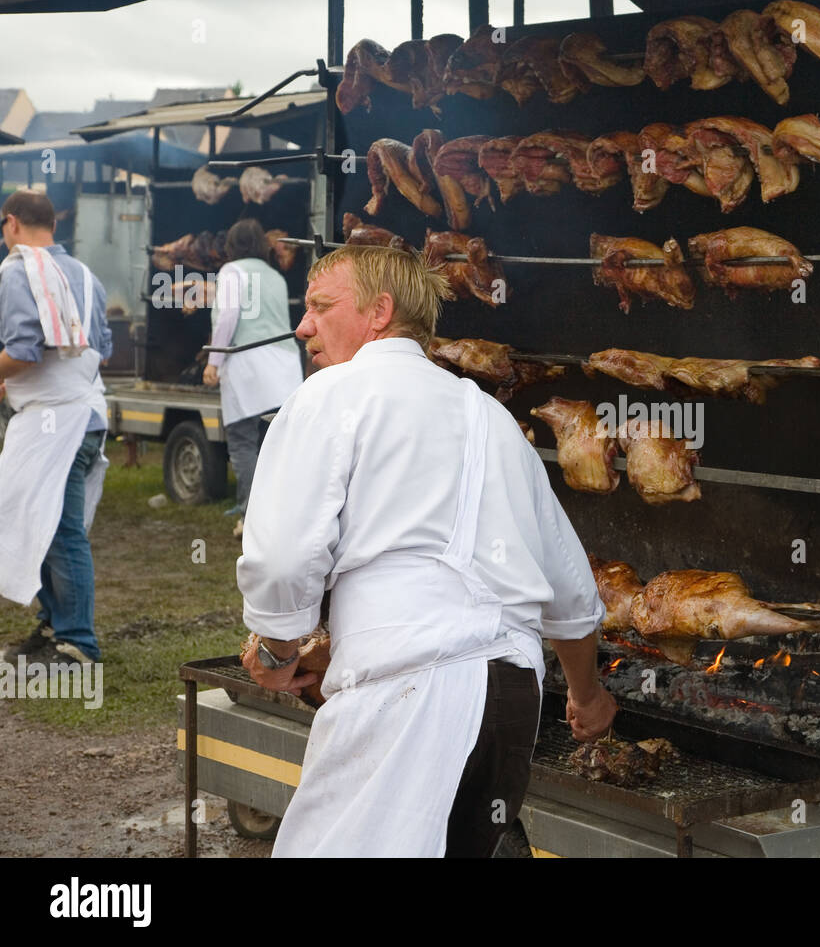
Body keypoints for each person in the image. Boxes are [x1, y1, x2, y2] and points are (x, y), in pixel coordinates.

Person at [237, 244, 617, 857]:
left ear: (379, 311)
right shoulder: (492, 417)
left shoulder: (332, 393)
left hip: (408, 697)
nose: (303, 326)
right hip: (511, 698)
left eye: (320, 306)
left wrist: (279, 647)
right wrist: (586, 696)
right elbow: (571, 594)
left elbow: (282, 559)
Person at [0, 189, 112, 668]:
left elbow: (22, 351)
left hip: (56, 420)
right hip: (84, 411)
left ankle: (78, 642)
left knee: (62, 532)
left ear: (11, 224)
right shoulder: (86, 274)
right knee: (40, 525)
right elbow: (101, 348)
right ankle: (53, 625)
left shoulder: (15, 270)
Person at [203, 218, 301, 534]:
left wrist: (214, 361)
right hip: (285, 367)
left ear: (231, 245)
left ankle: (250, 519)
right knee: (280, 446)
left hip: (248, 364)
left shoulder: (232, 272)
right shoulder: (276, 276)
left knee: (243, 443)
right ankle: (286, 517)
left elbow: (228, 316)